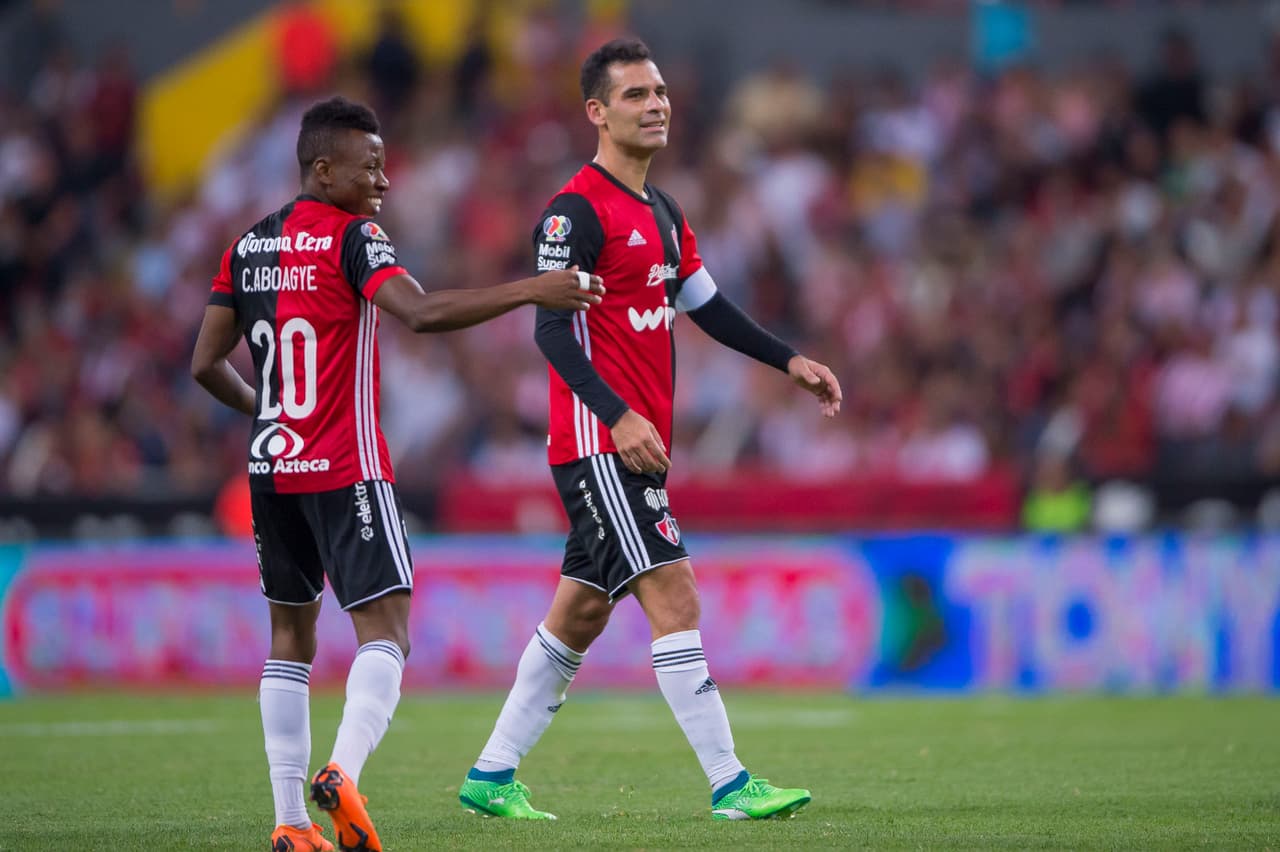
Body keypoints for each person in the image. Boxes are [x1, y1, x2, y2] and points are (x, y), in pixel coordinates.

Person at [190, 95, 603, 852]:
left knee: (289, 637)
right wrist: (530, 289)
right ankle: (342, 773)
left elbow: (203, 361)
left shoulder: (246, 245)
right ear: (323, 170)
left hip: (270, 470)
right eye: (369, 166)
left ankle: (289, 823)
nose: (383, 180)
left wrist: (266, 414)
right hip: (348, 467)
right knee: (387, 630)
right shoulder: (356, 238)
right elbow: (421, 313)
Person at [459, 39, 842, 822]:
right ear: (597, 113)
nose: (657, 104)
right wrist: (619, 414)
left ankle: (491, 775)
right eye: (635, 94)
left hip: (631, 444)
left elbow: (706, 304)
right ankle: (733, 785)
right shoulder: (574, 211)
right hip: (601, 445)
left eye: (660, 90)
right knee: (673, 588)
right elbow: (552, 334)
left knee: (581, 612)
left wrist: (789, 360)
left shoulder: (663, 212)